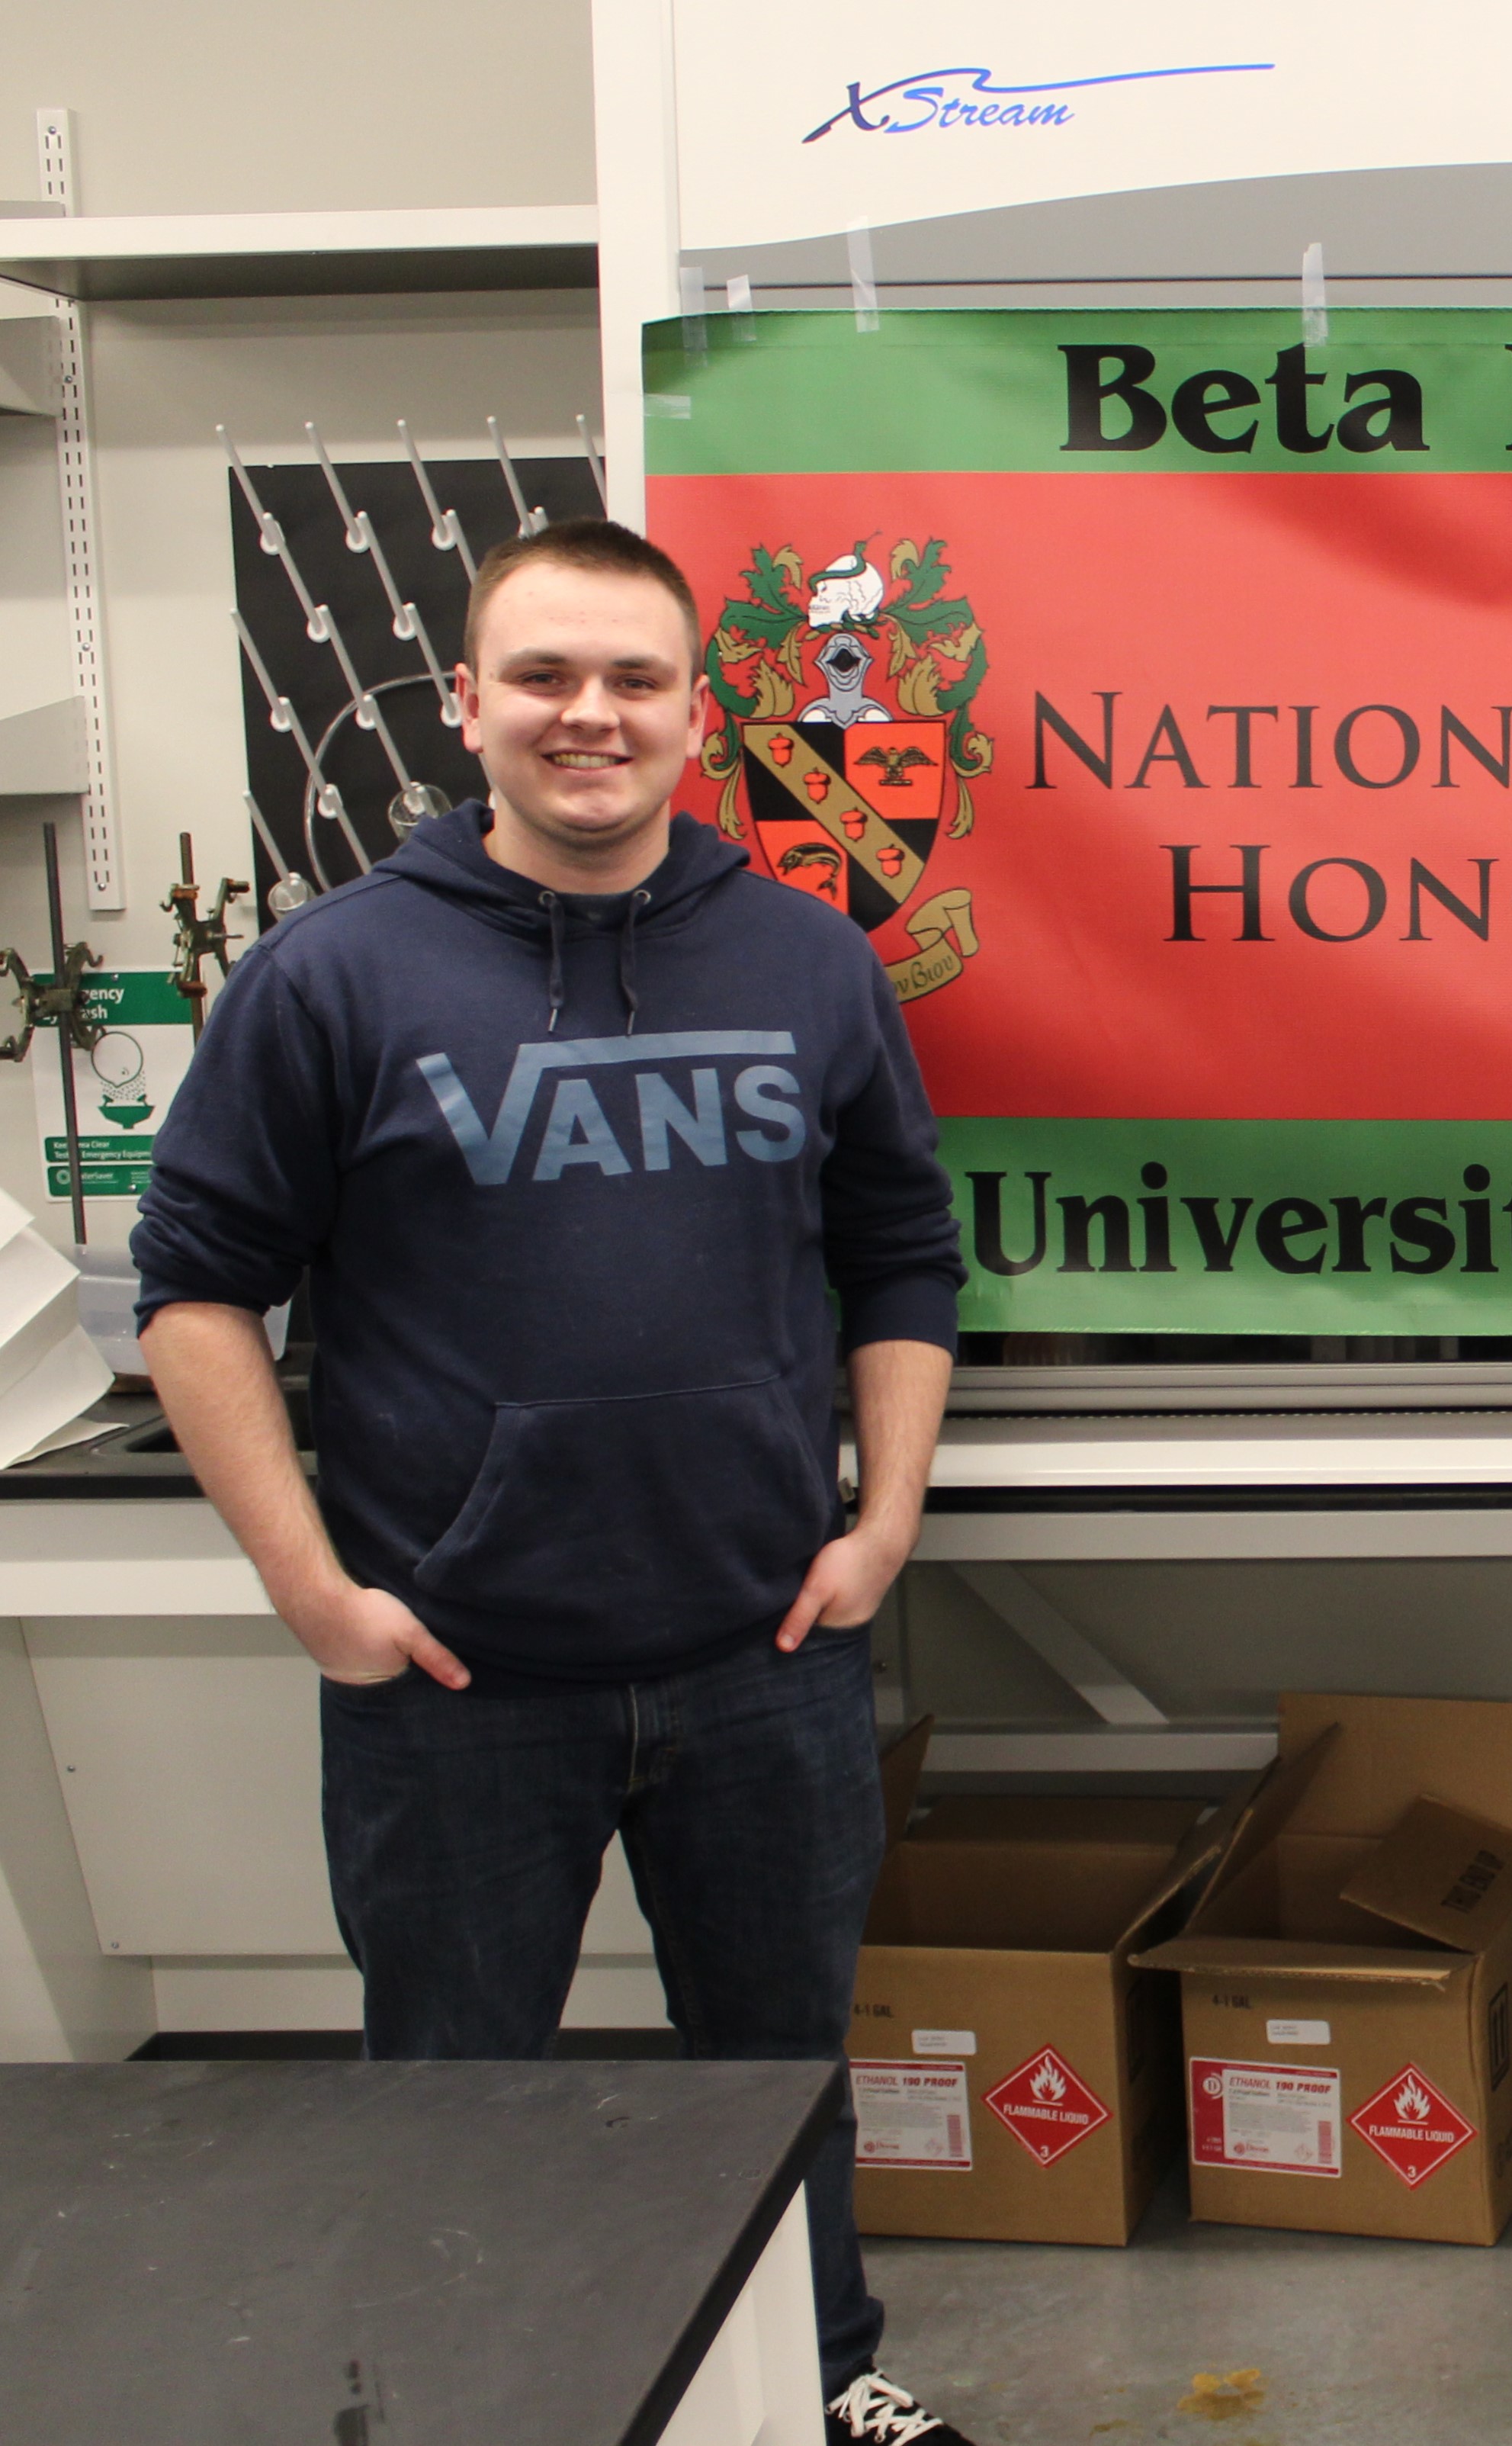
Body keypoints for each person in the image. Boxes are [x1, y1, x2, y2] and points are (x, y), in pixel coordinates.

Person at [133, 519, 978, 2446]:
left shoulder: (808, 958)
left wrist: (887, 1522)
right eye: (542, 677)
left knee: (778, 2074)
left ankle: (822, 2379)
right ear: (468, 703)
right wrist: (316, 1594)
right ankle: (457, 2402)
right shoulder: (334, 976)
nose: (586, 715)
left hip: (761, 1651)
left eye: (632, 680)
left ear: (698, 712)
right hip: (455, 1676)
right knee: (451, 2083)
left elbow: (903, 1251)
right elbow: (197, 1292)